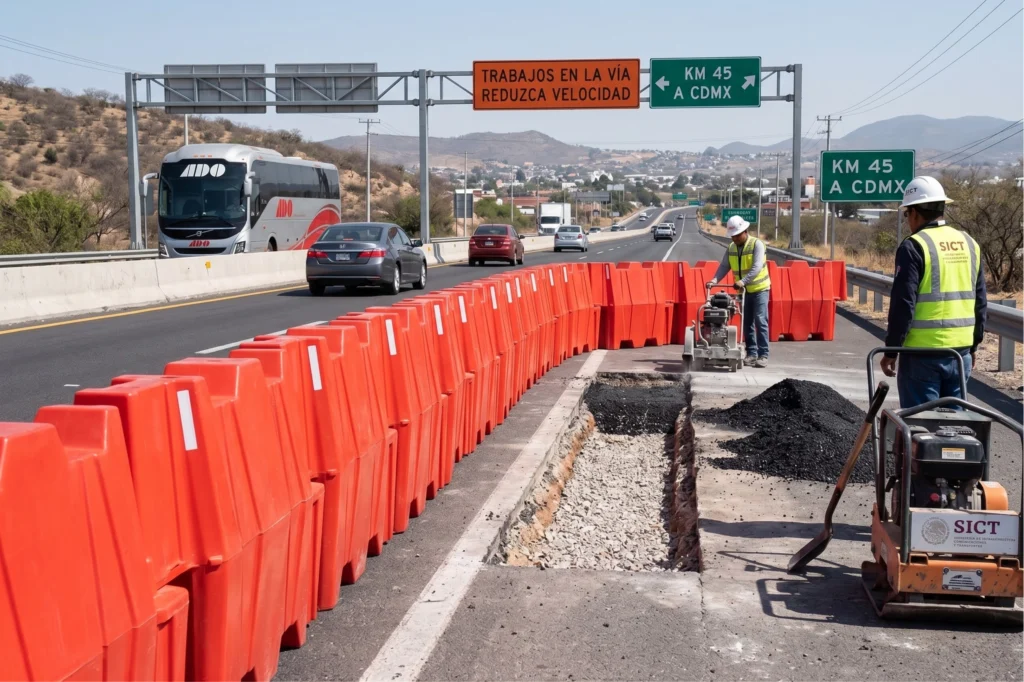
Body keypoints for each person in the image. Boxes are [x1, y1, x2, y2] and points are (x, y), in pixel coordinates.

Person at [880, 175, 987, 407]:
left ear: (915, 212)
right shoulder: (969, 243)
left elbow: (903, 305)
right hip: (960, 353)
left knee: (922, 426)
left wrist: (891, 350)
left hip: (922, 355)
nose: (908, 220)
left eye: (907, 214)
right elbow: (980, 302)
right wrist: (974, 344)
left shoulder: (914, 246)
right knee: (956, 428)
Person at [708, 215, 771, 367]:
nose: (734, 239)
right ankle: (752, 353)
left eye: (736, 235)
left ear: (745, 231)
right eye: (732, 236)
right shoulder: (731, 248)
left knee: (760, 320)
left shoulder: (757, 245)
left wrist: (743, 281)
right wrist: (714, 281)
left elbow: (756, 267)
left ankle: (763, 355)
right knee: (746, 322)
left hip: (760, 289)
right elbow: (724, 266)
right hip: (743, 292)